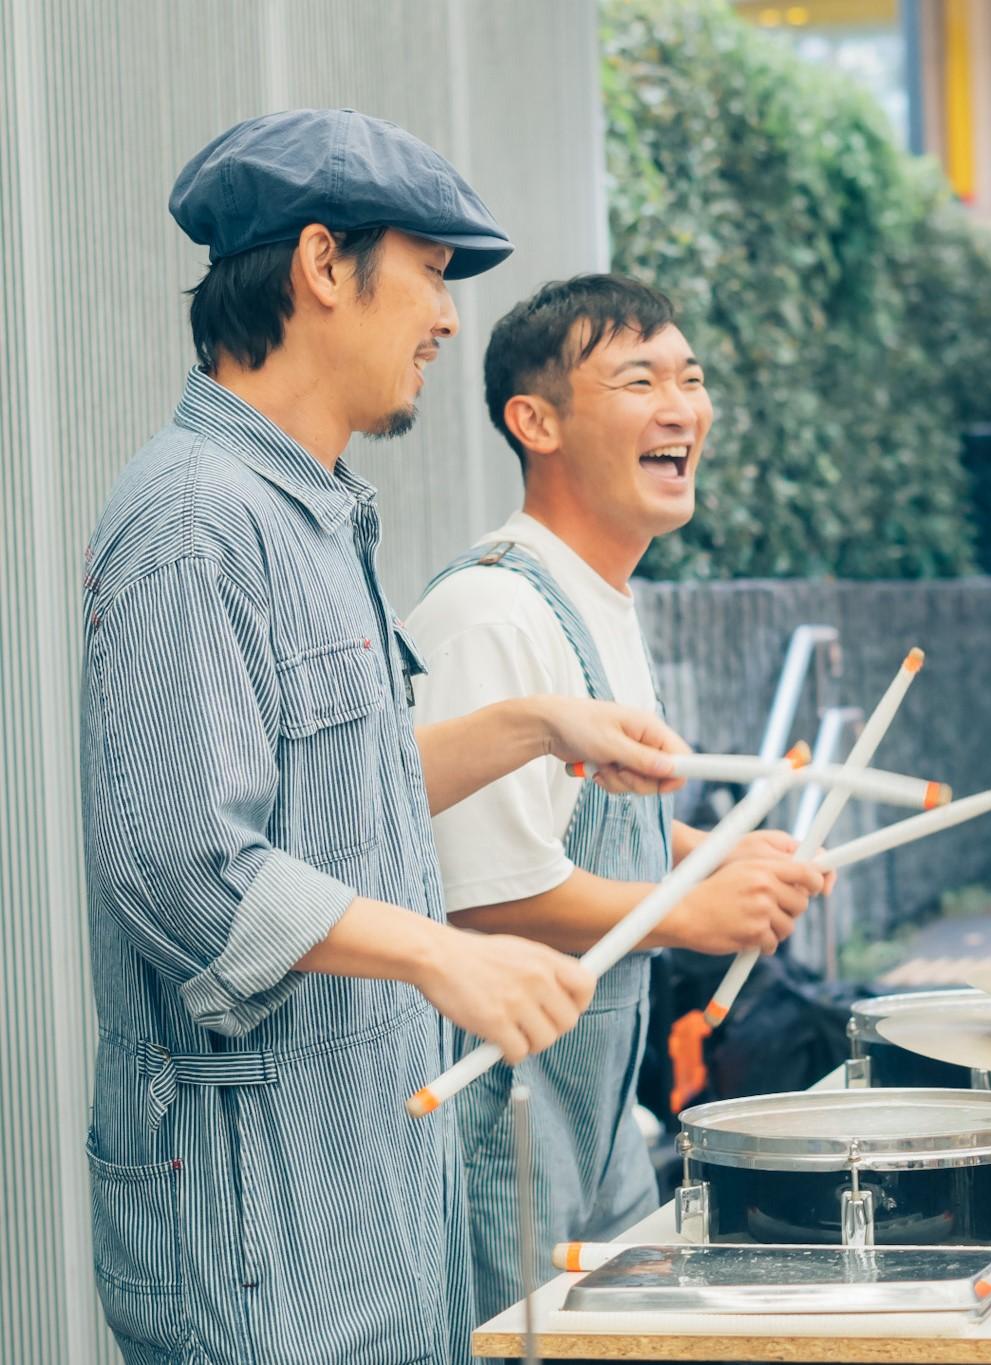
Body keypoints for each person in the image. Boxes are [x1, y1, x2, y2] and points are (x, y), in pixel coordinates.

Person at [80, 112, 687, 1365]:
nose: (449, 318)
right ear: (322, 265)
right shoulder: (195, 524)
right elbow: (185, 868)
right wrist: (438, 953)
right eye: (430, 271)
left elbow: (332, 795)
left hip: (363, 1188)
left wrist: (532, 726)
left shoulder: (310, 512)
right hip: (257, 1226)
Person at [406, 273, 831, 1325]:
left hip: (597, 1113)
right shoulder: (494, 612)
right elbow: (481, 898)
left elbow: (577, 823)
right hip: (497, 1118)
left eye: (690, 378)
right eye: (640, 382)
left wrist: (711, 855)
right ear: (536, 421)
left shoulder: (597, 599)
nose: (681, 407)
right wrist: (691, 913)